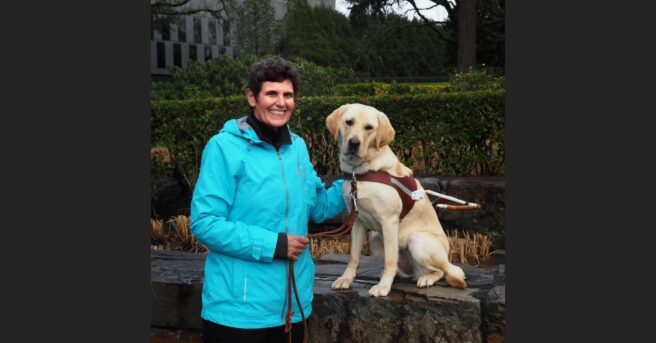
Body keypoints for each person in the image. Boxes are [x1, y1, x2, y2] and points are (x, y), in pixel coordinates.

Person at [190, 56, 346, 343]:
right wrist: (273, 244)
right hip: (237, 314)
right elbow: (204, 223)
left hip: (292, 309)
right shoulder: (223, 148)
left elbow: (319, 206)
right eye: (272, 93)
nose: (281, 102)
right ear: (252, 97)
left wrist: (358, 182)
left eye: (288, 95)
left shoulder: (297, 147)